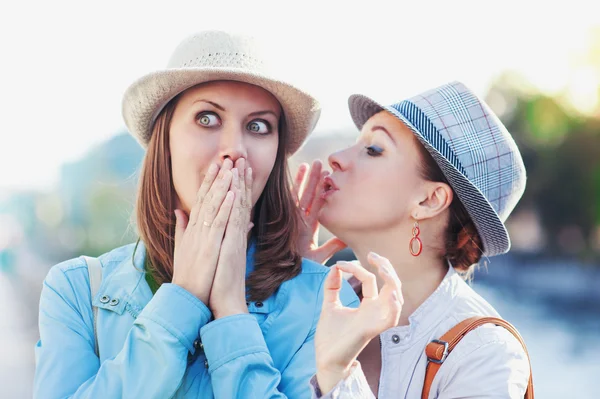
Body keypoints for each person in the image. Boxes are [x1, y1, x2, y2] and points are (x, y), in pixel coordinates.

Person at [33, 30, 358, 399]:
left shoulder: (325, 299)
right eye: (207, 118)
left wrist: (233, 312)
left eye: (258, 126)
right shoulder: (76, 289)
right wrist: (182, 298)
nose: (234, 150)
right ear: (165, 140)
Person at [296, 81, 532, 398]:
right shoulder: (312, 296)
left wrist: (339, 375)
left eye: (374, 149)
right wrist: (287, 287)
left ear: (429, 201)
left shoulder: (484, 354)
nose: (336, 157)